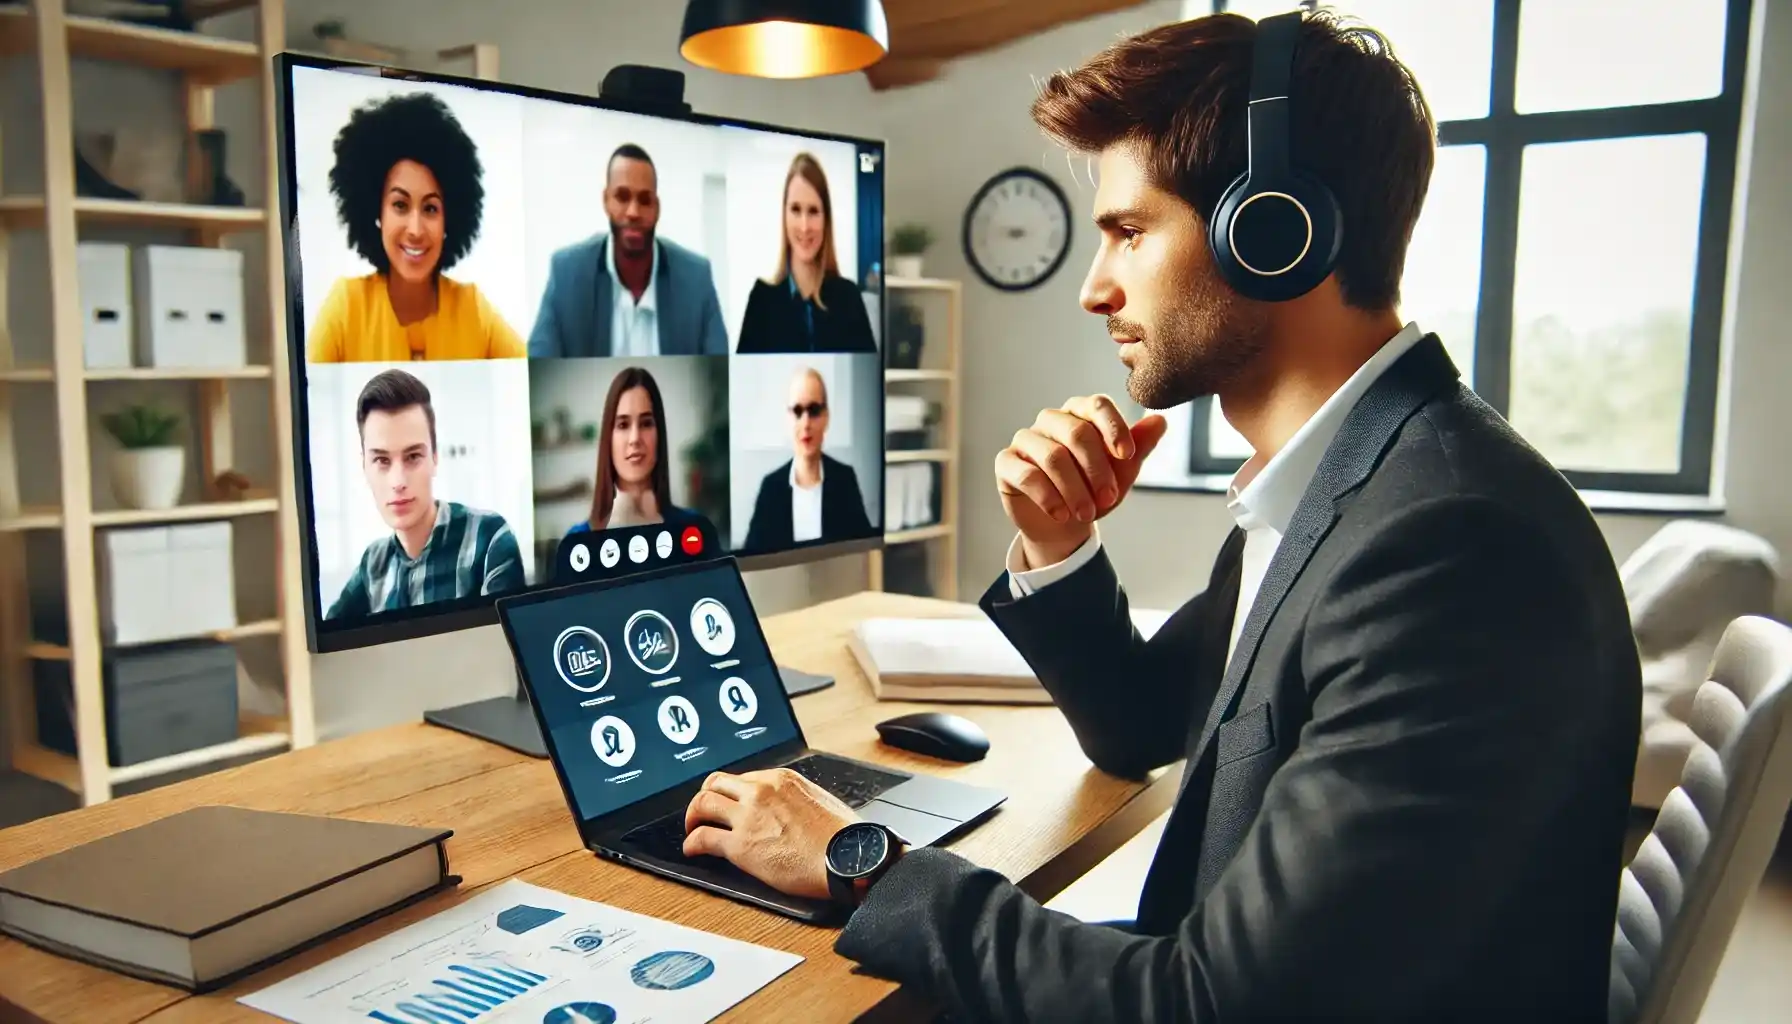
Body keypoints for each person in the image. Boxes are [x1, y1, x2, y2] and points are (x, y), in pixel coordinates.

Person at [668, 10, 1642, 1021]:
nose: (1094, 289)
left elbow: (1205, 1005)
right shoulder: (1346, 486)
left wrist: (853, 856)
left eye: (1130, 233)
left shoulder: (1442, 546)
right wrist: (1057, 537)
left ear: (1273, 229)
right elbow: (1137, 725)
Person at [306, 92, 525, 363]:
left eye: (431, 208)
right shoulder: (346, 308)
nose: (415, 229)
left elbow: (529, 375)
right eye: (400, 205)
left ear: (451, 219)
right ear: (376, 212)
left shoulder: (473, 310)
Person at [328, 369, 526, 618]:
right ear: (364, 466)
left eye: (413, 457)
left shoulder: (488, 538)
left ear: (434, 457)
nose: (398, 481)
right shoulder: (373, 564)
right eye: (381, 460)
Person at [528, 144, 728, 358]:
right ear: (606, 200)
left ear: (657, 208)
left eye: (644, 200)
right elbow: (541, 374)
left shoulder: (696, 279)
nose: (633, 212)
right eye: (622, 197)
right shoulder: (567, 274)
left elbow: (719, 378)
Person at [735, 153, 877, 354]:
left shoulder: (849, 298)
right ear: (784, 215)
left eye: (813, 211)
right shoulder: (762, 300)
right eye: (795, 209)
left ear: (825, 219)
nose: (804, 226)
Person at [741, 367, 872, 551]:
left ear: (826, 417)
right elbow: (752, 557)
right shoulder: (770, 488)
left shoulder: (845, 479)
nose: (805, 423)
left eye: (814, 410)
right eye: (797, 411)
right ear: (788, 419)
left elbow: (864, 549)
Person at [565, 366, 705, 536]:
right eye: (623, 425)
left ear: (659, 433)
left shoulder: (695, 529)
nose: (635, 438)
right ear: (608, 439)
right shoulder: (577, 540)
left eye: (646, 423)